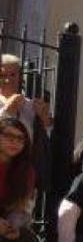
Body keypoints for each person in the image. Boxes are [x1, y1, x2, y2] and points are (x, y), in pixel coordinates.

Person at [0, 55, 50, 189]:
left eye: (13, 74)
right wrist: (6, 111)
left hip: (23, 172)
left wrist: (44, 122)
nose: (7, 79)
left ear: (20, 77)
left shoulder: (30, 105)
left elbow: (40, 141)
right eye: (3, 75)